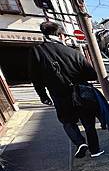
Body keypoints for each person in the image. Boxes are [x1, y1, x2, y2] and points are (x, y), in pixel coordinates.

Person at [28, 21, 103, 158]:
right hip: (81, 92)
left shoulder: (37, 51)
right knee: (88, 122)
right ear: (61, 35)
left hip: (59, 94)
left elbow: (35, 77)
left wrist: (43, 96)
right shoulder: (73, 52)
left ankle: (80, 142)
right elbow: (91, 74)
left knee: (67, 121)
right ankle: (95, 149)